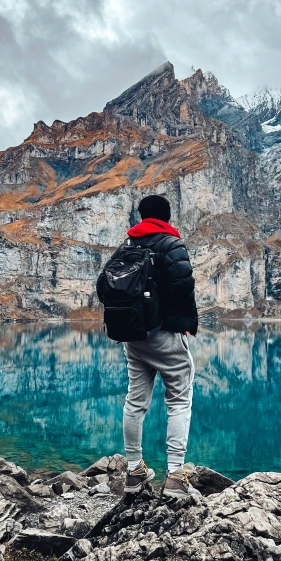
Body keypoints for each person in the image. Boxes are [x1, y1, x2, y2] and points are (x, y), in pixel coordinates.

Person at [97, 195, 200, 499]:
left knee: (135, 401)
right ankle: (176, 476)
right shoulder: (171, 244)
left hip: (133, 337)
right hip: (165, 335)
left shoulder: (127, 246)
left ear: (141, 216)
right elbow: (184, 287)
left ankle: (134, 471)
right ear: (167, 217)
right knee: (179, 400)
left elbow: (104, 286)